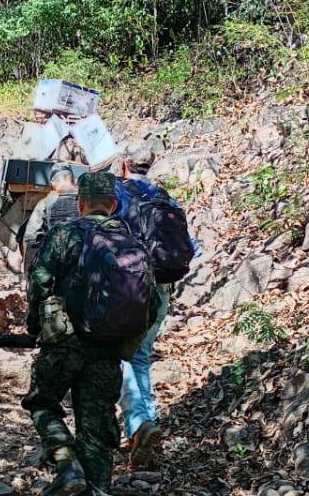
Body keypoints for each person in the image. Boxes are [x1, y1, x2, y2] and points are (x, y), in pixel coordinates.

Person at [23, 172, 135, 496]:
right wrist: (126, 339)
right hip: (108, 348)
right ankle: (97, 490)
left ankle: (67, 463)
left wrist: (35, 326)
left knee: (42, 402)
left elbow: (39, 280)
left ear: (81, 203)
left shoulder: (64, 234)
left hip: (64, 342)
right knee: (97, 428)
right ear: (113, 205)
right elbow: (150, 300)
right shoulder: (130, 241)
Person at [112, 151, 189, 470]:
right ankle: (147, 428)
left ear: (124, 165)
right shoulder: (165, 197)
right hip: (163, 286)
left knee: (121, 356)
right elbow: (191, 247)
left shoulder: (117, 192)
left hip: (132, 286)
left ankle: (139, 424)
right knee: (141, 356)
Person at [22, 163, 80, 270]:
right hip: (84, 265)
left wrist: (28, 272)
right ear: (73, 179)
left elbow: (32, 238)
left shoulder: (45, 203)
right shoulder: (86, 201)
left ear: (53, 183)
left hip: (56, 265)